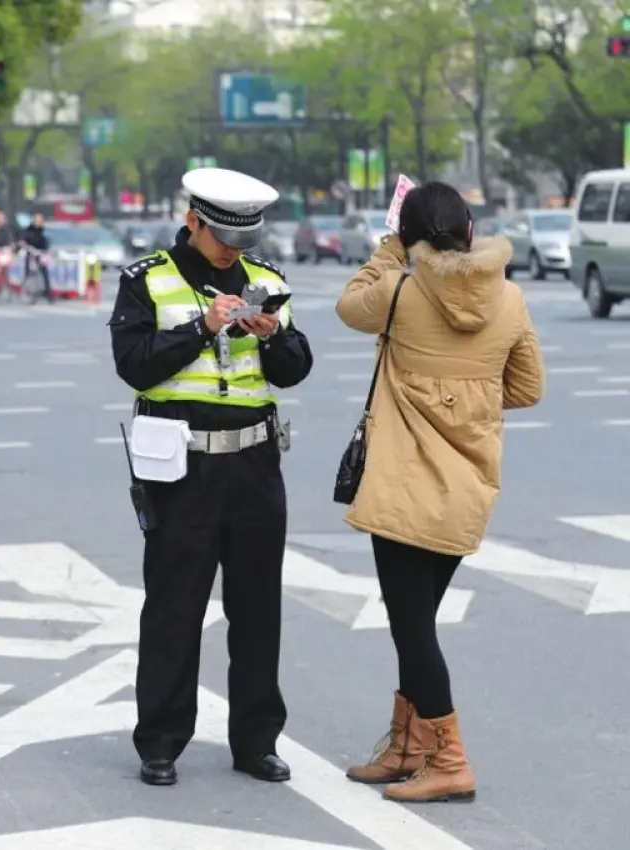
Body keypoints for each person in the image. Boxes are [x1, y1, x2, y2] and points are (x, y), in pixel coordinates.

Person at [336, 181, 544, 804]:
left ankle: (449, 759)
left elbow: (350, 306)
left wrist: (387, 251)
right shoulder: (509, 298)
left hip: (403, 489)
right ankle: (407, 748)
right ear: (472, 229)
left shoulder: (399, 291)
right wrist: (468, 395)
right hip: (466, 488)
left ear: (412, 239)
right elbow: (527, 387)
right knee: (415, 622)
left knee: (412, 630)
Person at [109, 167, 314, 787]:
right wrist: (202, 328)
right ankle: (162, 742)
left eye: (243, 239)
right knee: (175, 605)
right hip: (181, 466)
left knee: (258, 609)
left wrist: (273, 335)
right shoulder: (147, 280)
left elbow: (295, 369)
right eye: (223, 236)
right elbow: (135, 367)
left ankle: (257, 742)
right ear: (193, 220)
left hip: (254, 463)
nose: (233, 251)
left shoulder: (267, 282)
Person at [18, 212, 54, 303]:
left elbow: (47, 242)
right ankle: (26, 292)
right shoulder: (28, 230)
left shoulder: (44, 231)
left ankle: (48, 295)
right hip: (30, 254)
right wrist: (25, 246)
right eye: (37, 220)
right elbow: (22, 241)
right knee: (27, 273)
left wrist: (46, 251)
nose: (39, 222)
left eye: (40, 220)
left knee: (44, 274)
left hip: (41, 254)